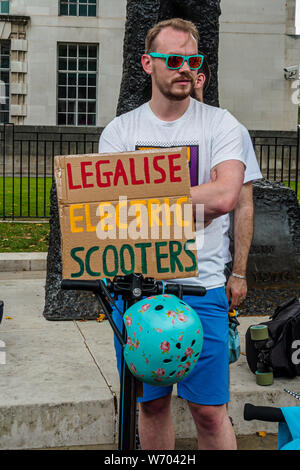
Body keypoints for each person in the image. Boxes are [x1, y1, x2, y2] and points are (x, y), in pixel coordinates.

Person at [99, 18, 245, 450]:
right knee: (150, 405)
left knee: (209, 411)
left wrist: (142, 201)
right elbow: (106, 211)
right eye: (174, 59)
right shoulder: (121, 132)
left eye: (193, 60)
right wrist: (187, 206)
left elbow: (224, 197)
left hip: (203, 286)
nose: (185, 68)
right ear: (148, 63)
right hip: (138, 291)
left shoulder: (221, 125)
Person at [192, 61, 262, 311]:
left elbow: (244, 207)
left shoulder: (230, 131)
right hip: (156, 267)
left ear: (199, 80)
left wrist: (239, 273)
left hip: (209, 271)